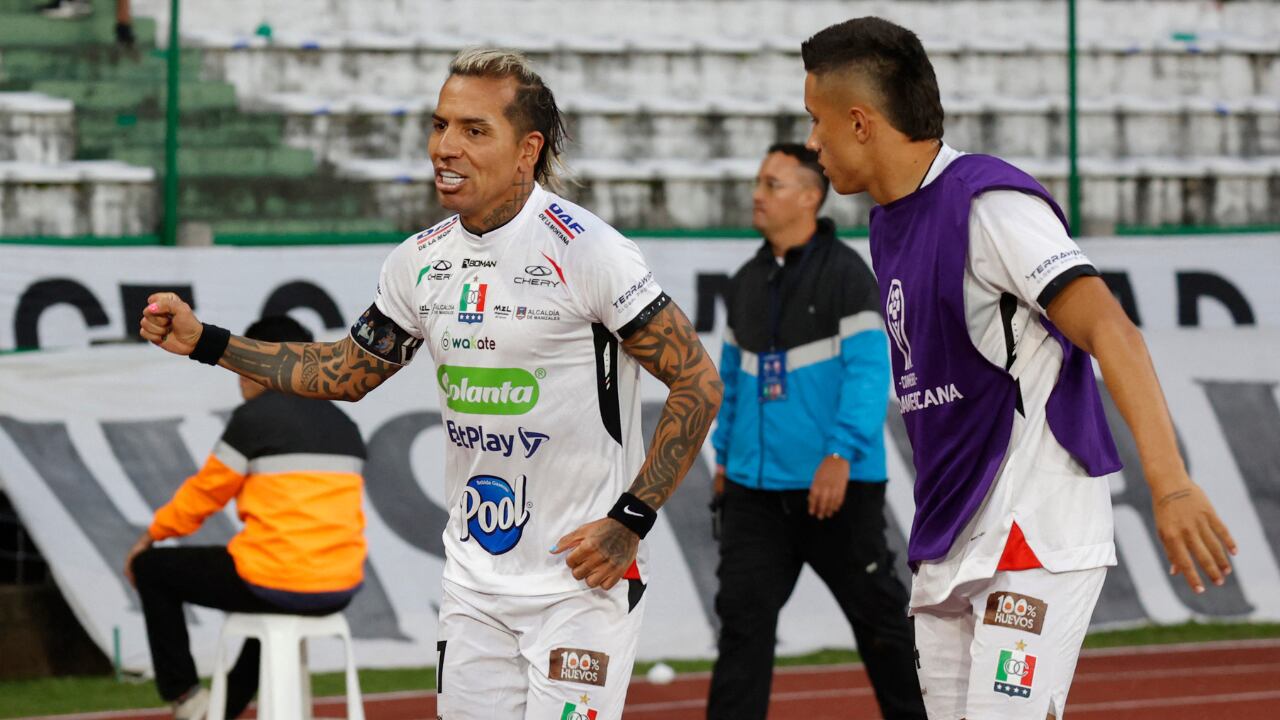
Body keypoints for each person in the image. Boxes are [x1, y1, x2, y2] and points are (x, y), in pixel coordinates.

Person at [138, 48, 723, 720]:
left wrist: (630, 521)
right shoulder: (419, 262)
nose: (446, 147)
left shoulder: (588, 251)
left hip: (577, 590)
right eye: (439, 125)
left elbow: (697, 383)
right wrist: (207, 342)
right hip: (474, 587)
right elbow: (344, 372)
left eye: (475, 131)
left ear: (527, 150)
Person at [799, 17, 1239, 720]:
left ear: (859, 121)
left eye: (815, 120)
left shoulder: (989, 203)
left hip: (1032, 529)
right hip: (949, 538)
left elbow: (1112, 331)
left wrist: (1171, 483)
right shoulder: (888, 222)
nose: (811, 142)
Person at [705, 143, 925, 719]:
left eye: (772, 184)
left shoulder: (849, 275)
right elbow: (730, 381)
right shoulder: (747, 281)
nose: (757, 193)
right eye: (758, 181)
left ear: (810, 196)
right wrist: (723, 460)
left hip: (837, 490)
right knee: (741, 633)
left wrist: (840, 454)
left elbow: (869, 371)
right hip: (753, 497)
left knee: (882, 629)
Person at [124, 315, 368, 720]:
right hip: (340, 585)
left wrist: (151, 536)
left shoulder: (255, 419)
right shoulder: (345, 425)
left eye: (243, 363)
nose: (239, 376)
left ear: (262, 362)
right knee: (274, 603)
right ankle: (219, 712)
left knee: (152, 569)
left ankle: (185, 699)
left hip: (276, 577)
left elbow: (204, 495)